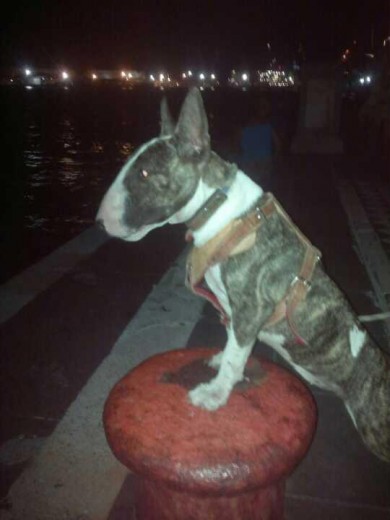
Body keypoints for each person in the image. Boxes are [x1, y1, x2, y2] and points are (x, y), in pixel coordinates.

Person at [238, 97, 281, 187]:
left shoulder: (245, 128)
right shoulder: (268, 127)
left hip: (249, 161)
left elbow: (238, 145)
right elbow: (278, 144)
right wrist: (275, 158)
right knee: (263, 185)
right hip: (263, 160)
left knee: (250, 185)